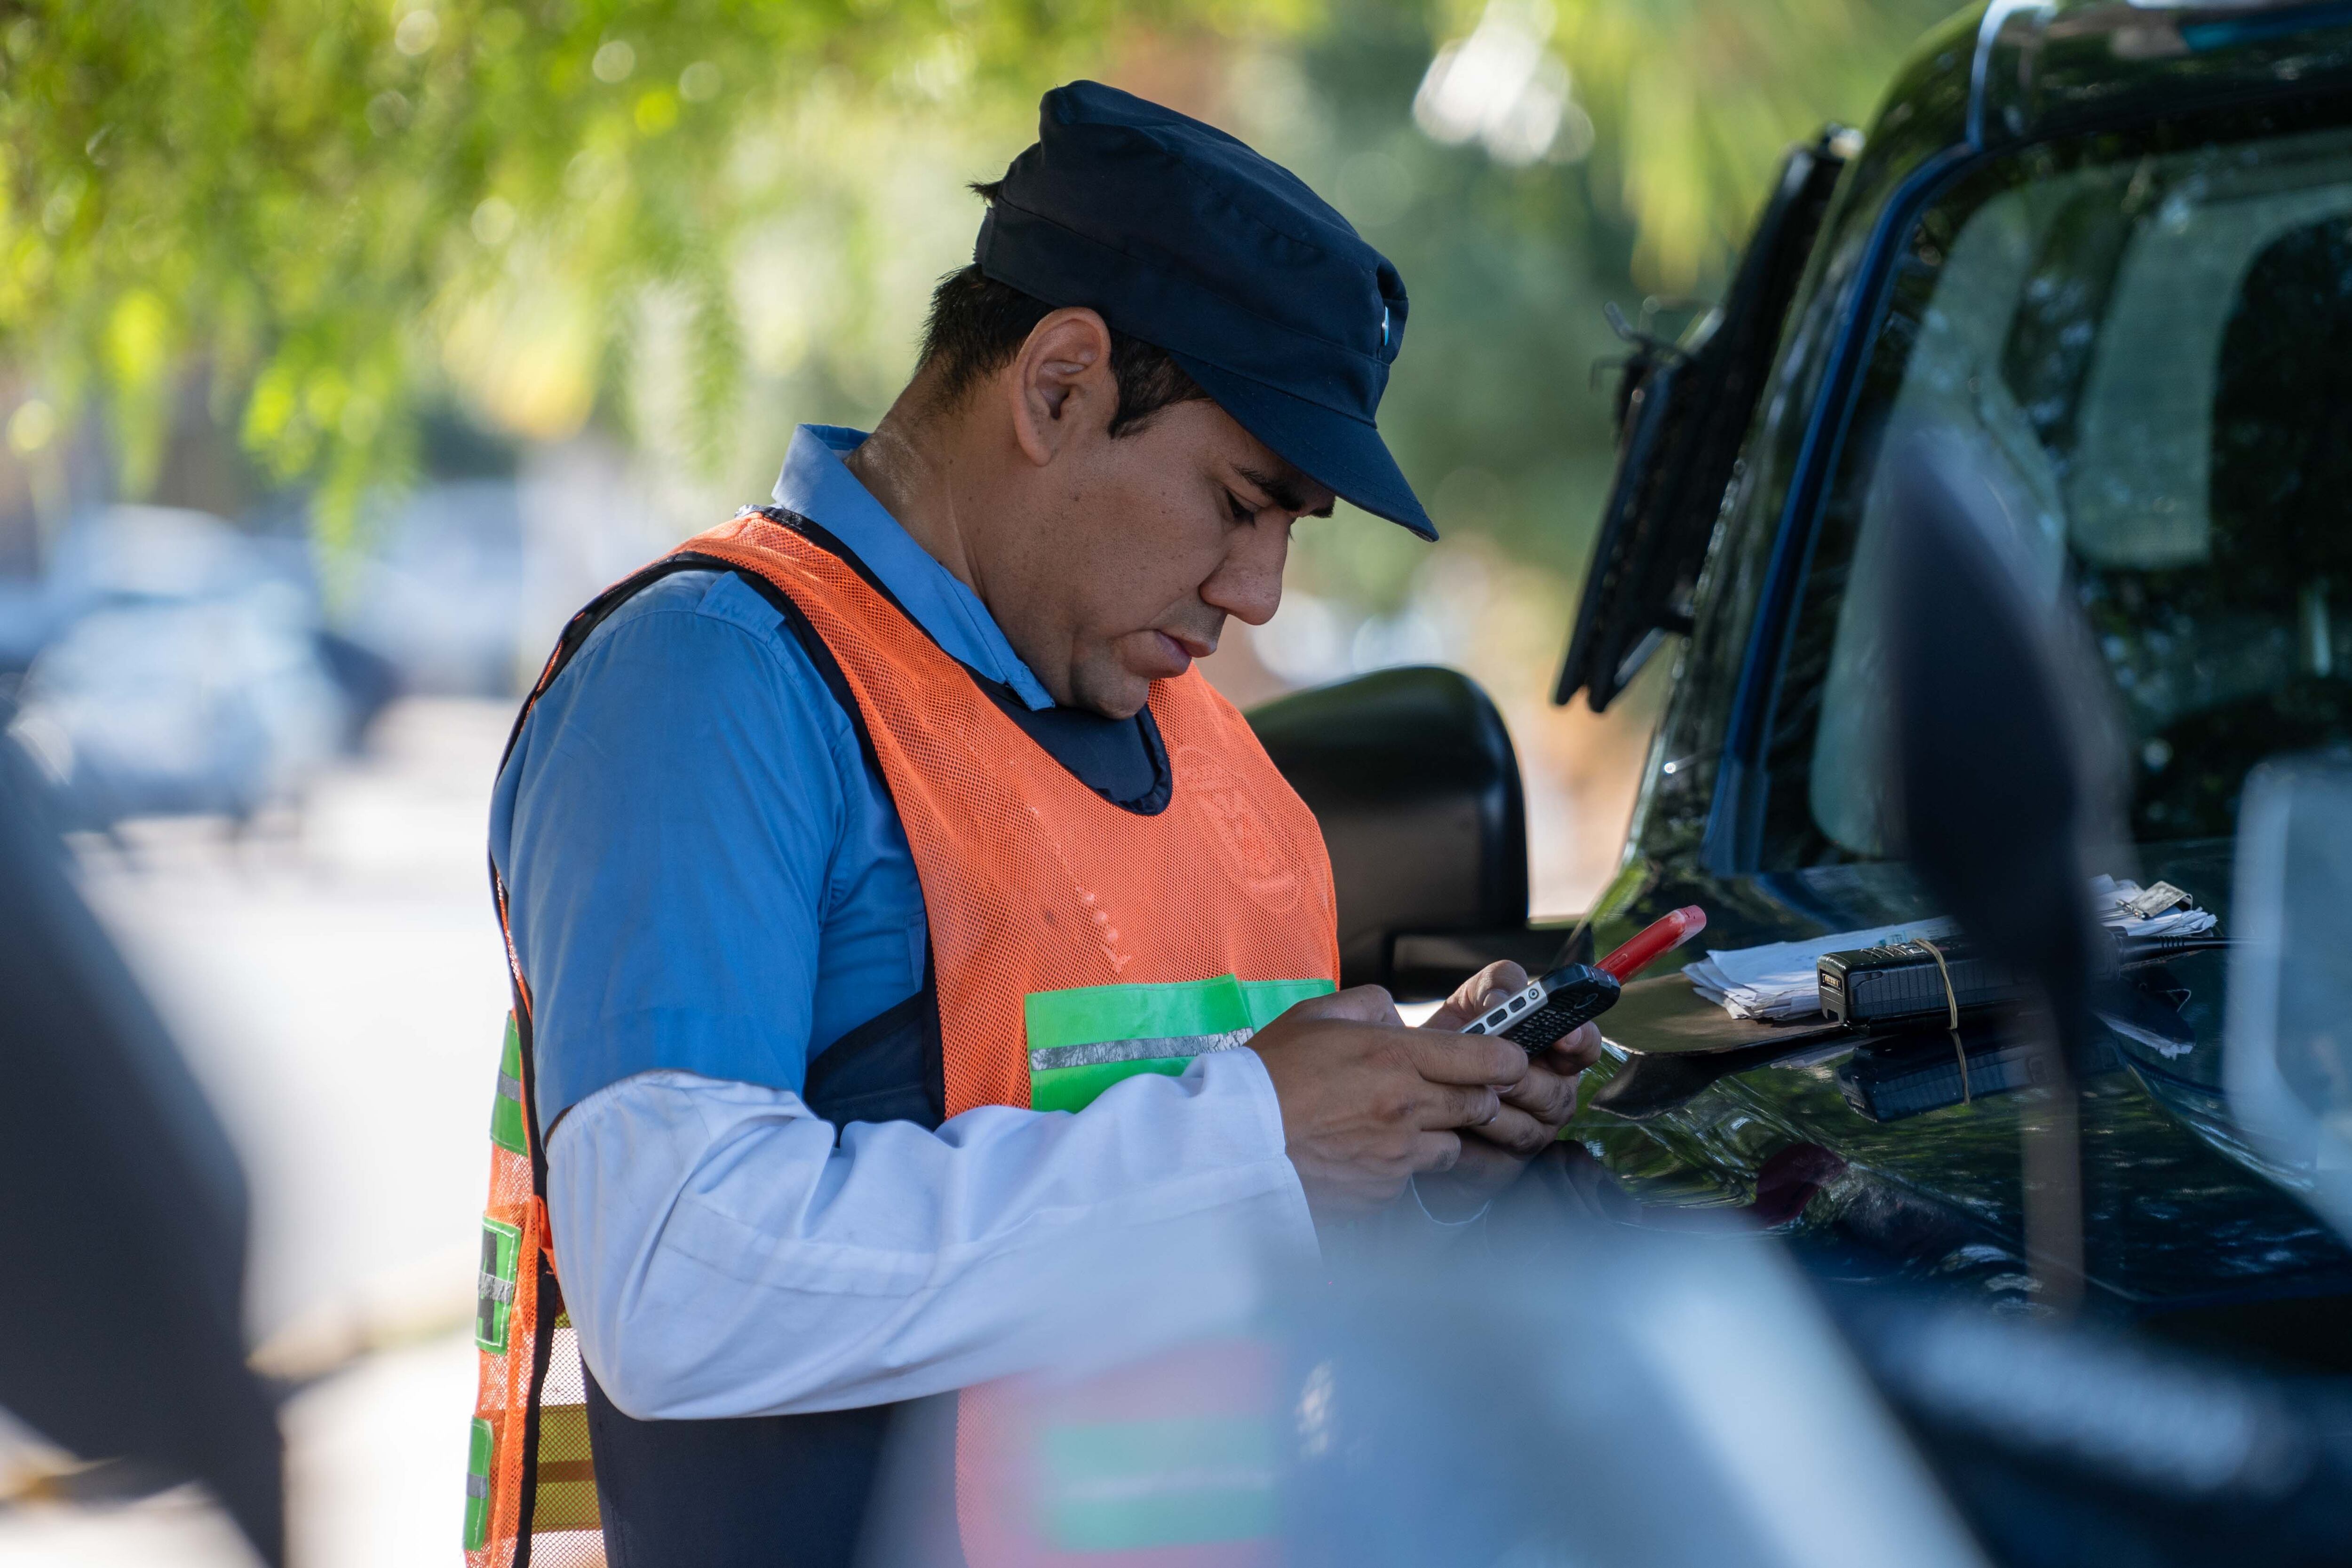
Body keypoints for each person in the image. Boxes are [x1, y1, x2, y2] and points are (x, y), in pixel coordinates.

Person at [465, 80, 1601, 1568]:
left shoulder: (1216, 760)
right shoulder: (713, 685)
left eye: (1290, 533)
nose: (1261, 593)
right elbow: (682, 1274)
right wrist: (1255, 1147)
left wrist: (1411, 1142)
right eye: (1240, 501)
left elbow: (1204, 1265)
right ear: (1059, 385)